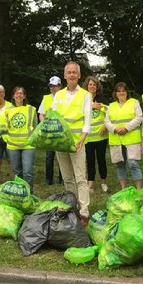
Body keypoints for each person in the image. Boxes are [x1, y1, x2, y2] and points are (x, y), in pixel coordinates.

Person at [52, 61, 92, 224]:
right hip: (61, 144)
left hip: (77, 143)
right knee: (68, 177)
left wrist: (82, 139)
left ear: (79, 75)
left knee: (80, 177)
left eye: (74, 72)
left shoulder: (85, 95)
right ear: (64, 75)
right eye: (69, 72)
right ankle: (72, 206)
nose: (72, 75)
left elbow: (87, 120)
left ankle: (84, 211)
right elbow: (54, 118)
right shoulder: (59, 95)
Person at [104, 82, 143, 190]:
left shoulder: (134, 102)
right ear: (115, 93)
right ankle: (123, 189)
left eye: (123, 91)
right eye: (119, 91)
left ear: (127, 92)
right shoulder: (111, 106)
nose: (121, 93)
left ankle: (139, 188)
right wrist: (115, 129)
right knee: (120, 164)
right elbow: (106, 121)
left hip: (131, 138)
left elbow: (139, 117)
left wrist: (126, 128)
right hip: (116, 139)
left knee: (133, 163)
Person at [5, 87, 37, 193]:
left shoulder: (31, 109)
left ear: (24, 96)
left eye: (21, 93)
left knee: (28, 171)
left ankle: (29, 194)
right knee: (17, 172)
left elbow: (35, 127)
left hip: (28, 145)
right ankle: (19, 194)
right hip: (13, 146)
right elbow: (7, 127)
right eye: (16, 93)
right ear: (13, 96)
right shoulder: (8, 110)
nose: (18, 95)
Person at [82, 76, 109, 193]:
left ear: (97, 87)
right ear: (86, 86)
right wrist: (90, 105)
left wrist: (105, 125)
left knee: (101, 159)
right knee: (90, 160)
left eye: (94, 85)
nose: (92, 86)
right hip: (88, 136)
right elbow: (77, 111)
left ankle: (104, 182)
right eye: (90, 85)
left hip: (101, 135)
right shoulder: (82, 99)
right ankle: (90, 184)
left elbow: (111, 112)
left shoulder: (102, 99)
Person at [38, 76, 63, 185]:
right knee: (49, 157)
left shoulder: (64, 97)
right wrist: (45, 125)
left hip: (61, 130)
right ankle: (49, 179)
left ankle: (62, 179)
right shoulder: (46, 98)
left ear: (60, 86)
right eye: (51, 86)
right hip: (49, 130)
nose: (53, 88)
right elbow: (41, 114)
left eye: (55, 86)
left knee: (61, 157)